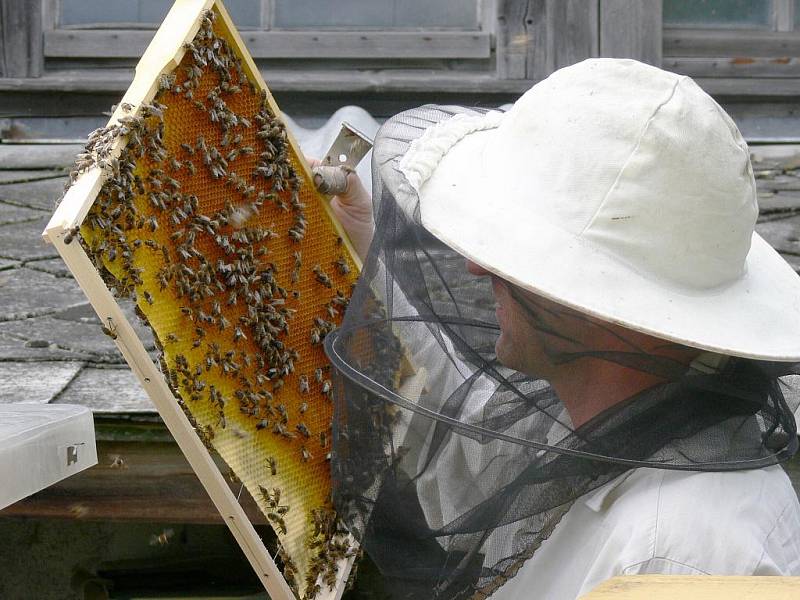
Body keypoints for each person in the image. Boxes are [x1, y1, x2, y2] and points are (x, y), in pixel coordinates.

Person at [314, 58, 800, 599]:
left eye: (520, 253)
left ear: (604, 304)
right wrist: (356, 252)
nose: (478, 267)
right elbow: (463, 450)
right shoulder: (610, 429)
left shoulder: (684, 551)